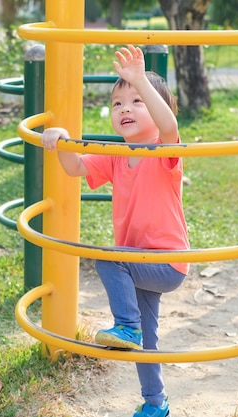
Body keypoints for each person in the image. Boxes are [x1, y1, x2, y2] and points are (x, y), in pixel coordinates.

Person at [41, 45, 189, 417]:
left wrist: (140, 77)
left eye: (137, 101)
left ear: (157, 109)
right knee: (147, 338)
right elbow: (74, 166)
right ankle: (156, 403)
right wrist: (60, 139)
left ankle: (126, 327)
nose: (124, 109)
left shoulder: (164, 152)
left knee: (108, 261)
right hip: (136, 264)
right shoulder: (114, 154)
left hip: (166, 264)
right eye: (117, 104)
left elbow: (169, 126)